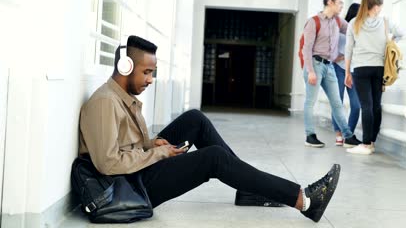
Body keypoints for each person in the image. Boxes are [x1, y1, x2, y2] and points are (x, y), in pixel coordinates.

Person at [78, 35, 341, 223]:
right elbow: (108, 164)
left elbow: (127, 144)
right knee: (214, 158)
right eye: (147, 72)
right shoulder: (104, 103)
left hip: (135, 170)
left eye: (153, 72)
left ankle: (249, 189)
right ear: (126, 67)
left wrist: (151, 145)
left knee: (195, 119)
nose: (150, 80)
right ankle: (304, 200)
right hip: (129, 186)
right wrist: (159, 154)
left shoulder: (124, 96)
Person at [344, 0, 405, 155]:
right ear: (376, 6)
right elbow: (401, 32)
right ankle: (371, 141)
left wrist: (347, 73)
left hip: (360, 69)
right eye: (380, 6)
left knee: (366, 106)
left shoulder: (354, 23)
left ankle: (365, 145)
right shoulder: (385, 22)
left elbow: (348, 49)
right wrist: (390, 42)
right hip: (379, 68)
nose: (380, 9)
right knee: (376, 105)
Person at [302, 0, 361, 148]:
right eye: (340, 3)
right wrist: (311, 71)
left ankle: (348, 136)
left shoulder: (338, 22)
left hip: (329, 67)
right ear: (330, 2)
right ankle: (310, 135)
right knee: (310, 102)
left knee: (337, 103)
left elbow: (352, 32)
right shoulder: (313, 22)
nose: (342, 6)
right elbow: (306, 49)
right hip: (314, 64)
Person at [331, 3, 361, 146]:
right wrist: (342, 56)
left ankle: (349, 134)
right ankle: (338, 134)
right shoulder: (341, 29)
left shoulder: (362, 32)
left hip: (354, 72)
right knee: (338, 103)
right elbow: (331, 50)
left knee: (356, 105)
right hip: (339, 69)